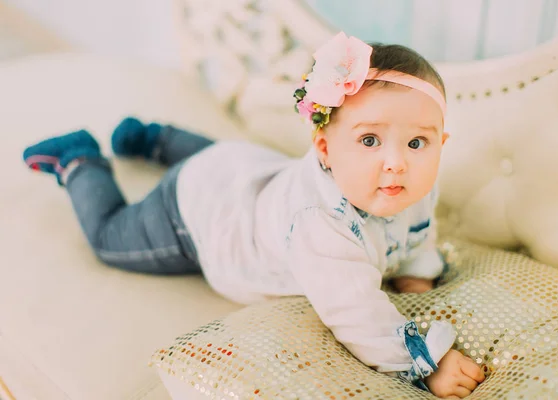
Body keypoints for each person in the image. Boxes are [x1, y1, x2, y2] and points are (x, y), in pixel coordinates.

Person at [23, 32, 485, 397]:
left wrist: (417, 271)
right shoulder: (321, 227)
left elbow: (419, 231)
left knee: (225, 157)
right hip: (197, 214)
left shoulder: (407, 183)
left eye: (417, 142)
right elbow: (357, 315)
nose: (397, 162)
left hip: (242, 168)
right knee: (110, 238)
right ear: (324, 149)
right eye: (369, 140)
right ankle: (80, 160)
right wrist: (428, 364)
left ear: (440, 144)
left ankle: (152, 138)